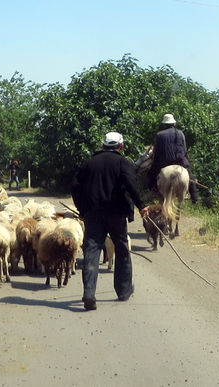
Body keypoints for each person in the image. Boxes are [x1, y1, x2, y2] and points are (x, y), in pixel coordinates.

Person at [71, 131, 149, 311]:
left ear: (103, 146)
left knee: (91, 252)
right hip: (116, 214)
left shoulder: (89, 163)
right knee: (122, 250)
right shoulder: (123, 162)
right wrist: (141, 205)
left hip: (93, 215)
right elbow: (131, 185)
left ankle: (89, 294)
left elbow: (75, 187)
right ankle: (124, 291)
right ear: (120, 147)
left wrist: (82, 209)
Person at [150, 113, 198, 203]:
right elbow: (184, 149)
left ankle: (153, 190)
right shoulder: (180, 133)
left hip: (164, 163)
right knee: (191, 177)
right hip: (180, 162)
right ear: (173, 123)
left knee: (151, 174)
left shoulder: (159, 135)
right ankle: (194, 196)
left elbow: (157, 151)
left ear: (164, 124)